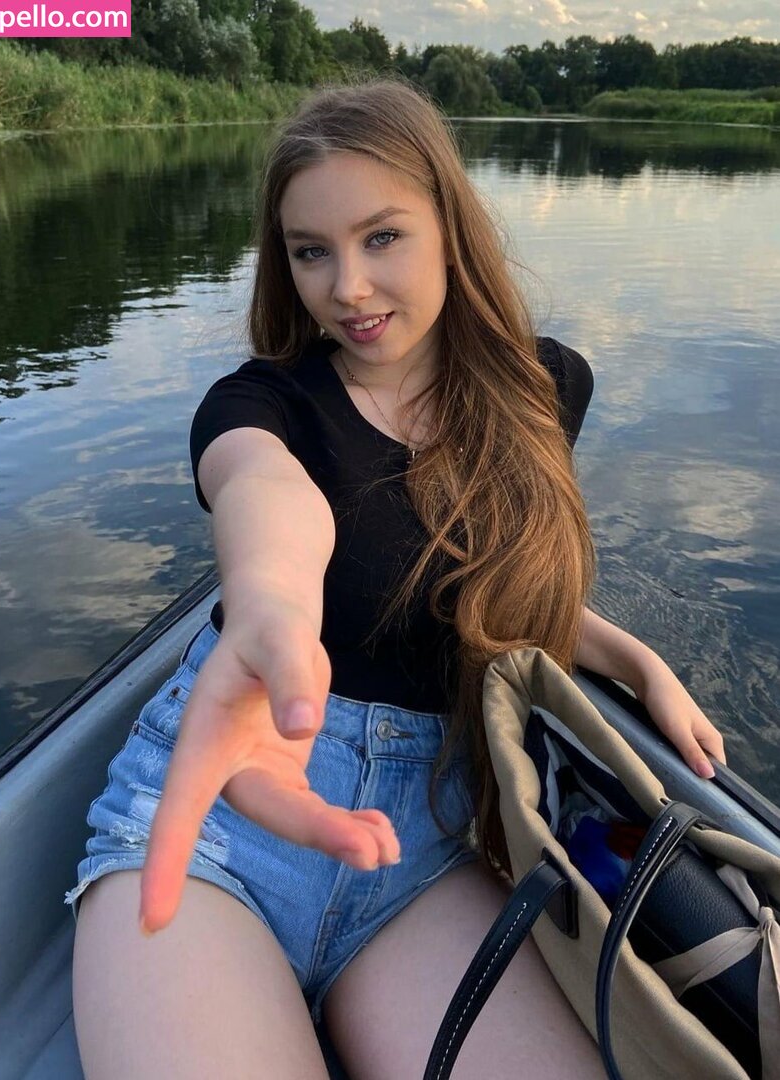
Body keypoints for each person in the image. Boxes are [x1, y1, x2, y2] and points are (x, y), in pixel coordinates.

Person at [65, 77, 727, 1079]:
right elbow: (263, 494)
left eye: (381, 238)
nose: (348, 288)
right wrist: (274, 607)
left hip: (427, 842)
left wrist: (636, 663)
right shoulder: (261, 403)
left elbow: (484, 590)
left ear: (450, 229)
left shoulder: (543, 388)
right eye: (310, 251)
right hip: (220, 825)